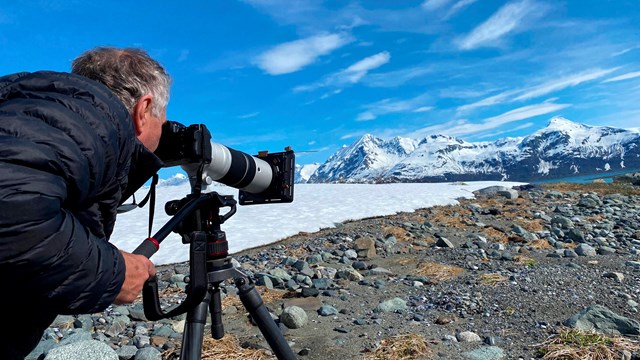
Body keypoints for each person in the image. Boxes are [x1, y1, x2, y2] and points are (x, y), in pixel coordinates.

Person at [0, 47, 169, 358]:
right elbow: (12, 211)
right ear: (144, 109)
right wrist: (111, 272)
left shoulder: (25, 105)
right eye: (163, 117)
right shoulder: (92, 120)